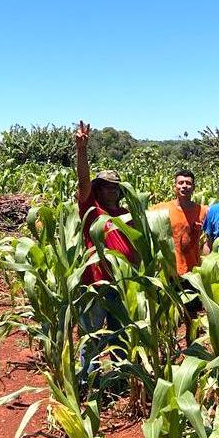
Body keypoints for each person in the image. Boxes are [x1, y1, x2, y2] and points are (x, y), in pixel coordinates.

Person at [74, 121, 134, 387]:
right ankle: (88, 382)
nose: (110, 190)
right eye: (105, 186)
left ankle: (119, 382)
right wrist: (82, 149)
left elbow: (137, 248)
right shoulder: (92, 209)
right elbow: (83, 180)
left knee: (120, 335)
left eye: (114, 186)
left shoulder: (127, 214)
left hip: (122, 285)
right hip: (96, 286)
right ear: (97, 189)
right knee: (92, 335)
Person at [151, 170, 207, 318]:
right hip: (168, 273)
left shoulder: (203, 211)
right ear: (174, 187)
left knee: (191, 315)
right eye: (180, 183)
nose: (184, 186)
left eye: (188, 183)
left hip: (191, 273)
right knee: (167, 316)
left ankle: (191, 341)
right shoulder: (160, 209)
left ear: (194, 187)